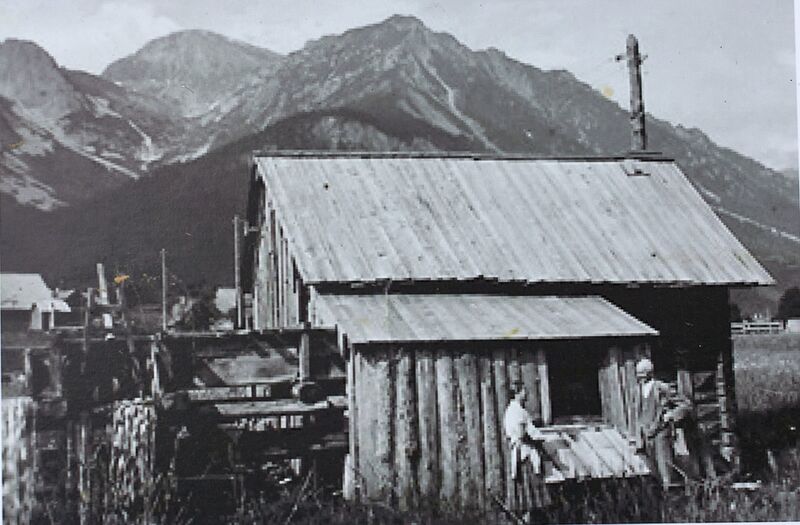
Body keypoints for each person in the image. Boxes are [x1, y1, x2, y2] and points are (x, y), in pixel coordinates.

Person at [634, 358, 693, 487]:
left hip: (661, 434)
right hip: (645, 436)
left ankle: (672, 497)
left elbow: (686, 405)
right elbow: (638, 414)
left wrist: (671, 415)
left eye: (644, 374)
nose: (641, 378)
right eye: (639, 375)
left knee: (665, 471)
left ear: (650, 373)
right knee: (652, 472)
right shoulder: (638, 390)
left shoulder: (661, 388)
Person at [504, 381, 551, 513]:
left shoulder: (519, 410)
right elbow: (521, 433)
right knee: (527, 496)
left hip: (525, 450)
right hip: (524, 454)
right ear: (517, 393)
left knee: (529, 496)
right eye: (524, 391)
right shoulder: (515, 411)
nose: (526, 393)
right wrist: (536, 439)